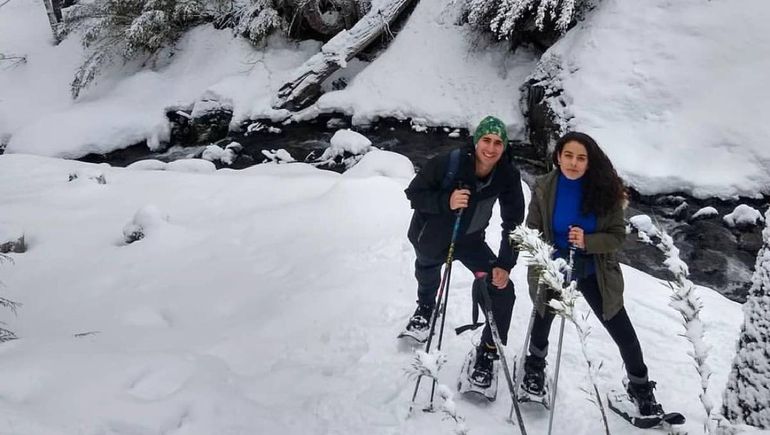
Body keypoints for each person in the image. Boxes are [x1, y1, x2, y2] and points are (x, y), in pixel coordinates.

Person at [520, 131, 664, 415]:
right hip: (554, 266)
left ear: (589, 162)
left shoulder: (605, 191)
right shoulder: (544, 188)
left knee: (621, 330)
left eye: (581, 158)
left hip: (593, 270)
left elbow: (617, 236)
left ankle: (640, 386)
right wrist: (543, 259)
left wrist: (588, 241)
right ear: (558, 157)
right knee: (542, 320)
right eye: (568, 156)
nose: (574, 163)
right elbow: (532, 229)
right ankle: (534, 368)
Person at [402, 115, 525, 388]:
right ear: (476, 140)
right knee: (427, 272)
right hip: (432, 236)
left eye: (497, 143)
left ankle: (488, 350)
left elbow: (514, 222)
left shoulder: (506, 174)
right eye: (486, 140)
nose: (491, 149)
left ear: (504, 147)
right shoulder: (448, 163)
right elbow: (414, 193)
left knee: (501, 289)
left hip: (470, 241)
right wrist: (446, 201)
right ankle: (425, 305)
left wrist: (505, 264)